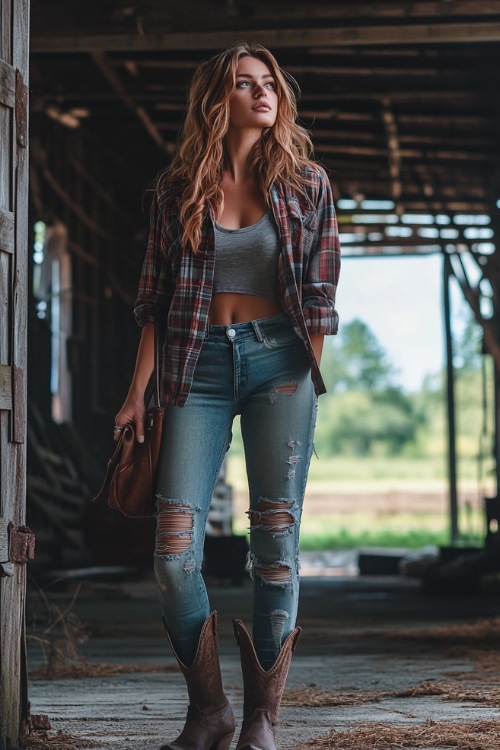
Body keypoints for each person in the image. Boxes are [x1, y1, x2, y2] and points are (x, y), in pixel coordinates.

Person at [114, 41, 340, 750]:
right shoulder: (177, 188)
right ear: (219, 100)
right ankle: (208, 711)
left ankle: (261, 721)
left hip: (280, 366)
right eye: (246, 85)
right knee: (174, 552)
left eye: (269, 83)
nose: (263, 94)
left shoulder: (307, 183)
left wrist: (307, 368)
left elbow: (323, 292)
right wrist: (135, 393)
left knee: (274, 548)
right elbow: (152, 301)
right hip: (194, 364)